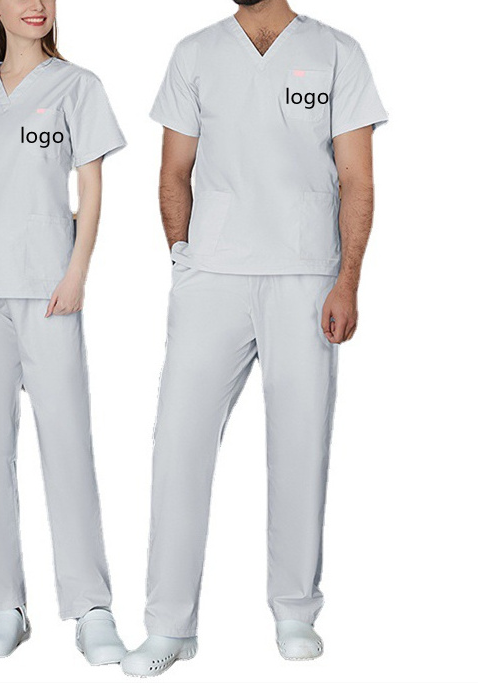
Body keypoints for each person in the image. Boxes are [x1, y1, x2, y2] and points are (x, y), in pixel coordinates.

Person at [121, 0, 387, 676]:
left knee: (300, 443)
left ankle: (294, 611)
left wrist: (347, 280)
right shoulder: (194, 52)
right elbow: (172, 171)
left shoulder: (337, 52)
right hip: (212, 275)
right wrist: (182, 256)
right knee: (178, 445)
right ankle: (168, 626)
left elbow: (357, 177)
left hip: (306, 273)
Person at [0, 0, 127, 665]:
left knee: (66, 441)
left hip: (48, 287)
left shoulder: (77, 87)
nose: (35, 5)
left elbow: (91, 191)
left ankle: (91, 606)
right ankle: (2, 606)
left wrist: (77, 271)